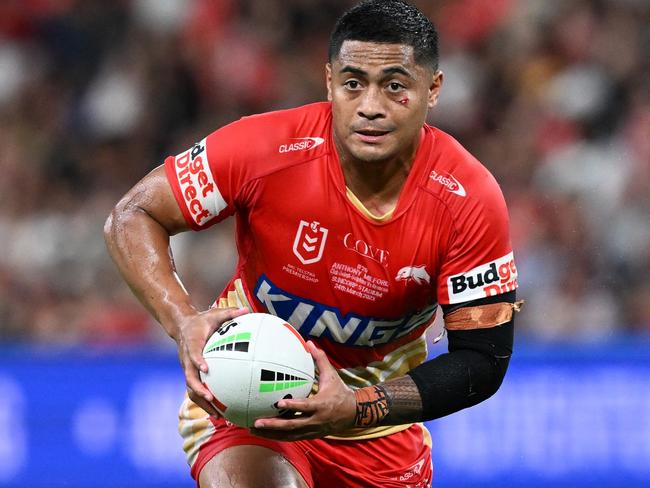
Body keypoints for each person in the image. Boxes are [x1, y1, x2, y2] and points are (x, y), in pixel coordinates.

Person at [104, 1, 521, 486]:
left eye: (394, 86)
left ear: (433, 89)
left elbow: (483, 360)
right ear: (328, 83)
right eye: (352, 83)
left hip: (375, 429)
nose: (370, 106)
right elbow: (132, 214)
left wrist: (360, 407)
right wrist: (182, 321)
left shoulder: (468, 200)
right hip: (250, 394)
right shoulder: (263, 149)